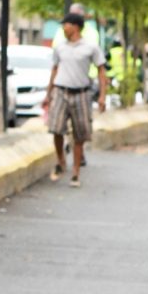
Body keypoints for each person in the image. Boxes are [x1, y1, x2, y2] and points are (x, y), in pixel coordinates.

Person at [43, 13, 107, 188]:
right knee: (55, 128)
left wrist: (102, 96)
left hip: (81, 93)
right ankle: (61, 160)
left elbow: (101, 71)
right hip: (61, 91)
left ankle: (76, 172)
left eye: (66, 25)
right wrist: (48, 94)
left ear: (76, 27)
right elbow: (54, 70)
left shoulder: (91, 47)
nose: (63, 28)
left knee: (80, 135)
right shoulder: (60, 47)